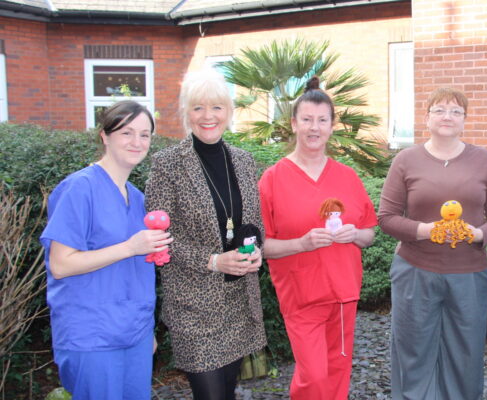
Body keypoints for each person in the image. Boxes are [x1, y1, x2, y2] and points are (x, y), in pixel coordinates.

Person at [378, 87, 487, 400]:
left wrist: (478, 234)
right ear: (426, 118)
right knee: (412, 351)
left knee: (465, 355)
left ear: (465, 120)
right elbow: (386, 217)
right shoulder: (406, 160)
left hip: (469, 274)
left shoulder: (483, 160)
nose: (447, 116)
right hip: (415, 270)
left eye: (456, 111)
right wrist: (425, 230)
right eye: (439, 110)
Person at [145, 69, 266, 400]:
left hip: (238, 301)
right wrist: (214, 261)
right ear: (186, 112)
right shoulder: (167, 164)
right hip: (194, 306)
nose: (208, 116)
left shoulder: (243, 161)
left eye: (216, 107)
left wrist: (256, 251)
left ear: (228, 112)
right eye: (198, 108)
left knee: (227, 393)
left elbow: (254, 224)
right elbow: (160, 237)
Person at [41, 100, 171, 399]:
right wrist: (129, 247)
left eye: (144, 134)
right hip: (92, 337)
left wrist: (146, 330)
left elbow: (138, 273)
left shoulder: (138, 199)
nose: (137, 142)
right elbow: (62, 264)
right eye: (127, 133)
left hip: (135, 335)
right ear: (105, 136)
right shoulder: (79, 189)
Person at [258, 76, 377, 400]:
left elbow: (369, 234)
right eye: (307, 120)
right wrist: (302, 243)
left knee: (337, 375)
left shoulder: (347, 177)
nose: (314, 127)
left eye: (322, 120)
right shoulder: (273, 179)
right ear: (294, 124)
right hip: (302, 295)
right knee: (313, 378)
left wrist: (356, 234)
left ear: (331, 125)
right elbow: (261, 247)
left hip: (342, 295)